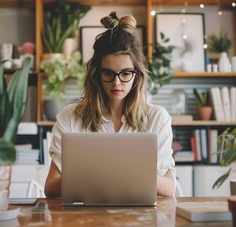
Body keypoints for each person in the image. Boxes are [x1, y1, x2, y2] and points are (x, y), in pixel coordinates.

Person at [44, 11, 176, 197]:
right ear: (96, 74)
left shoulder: (157, 118)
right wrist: (85, 176)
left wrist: (129, 174)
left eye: (125, 73)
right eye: (108, 73)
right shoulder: (70, 116)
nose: (116, 83)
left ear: (137, 74)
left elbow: (169, 189)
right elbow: (50, 189)